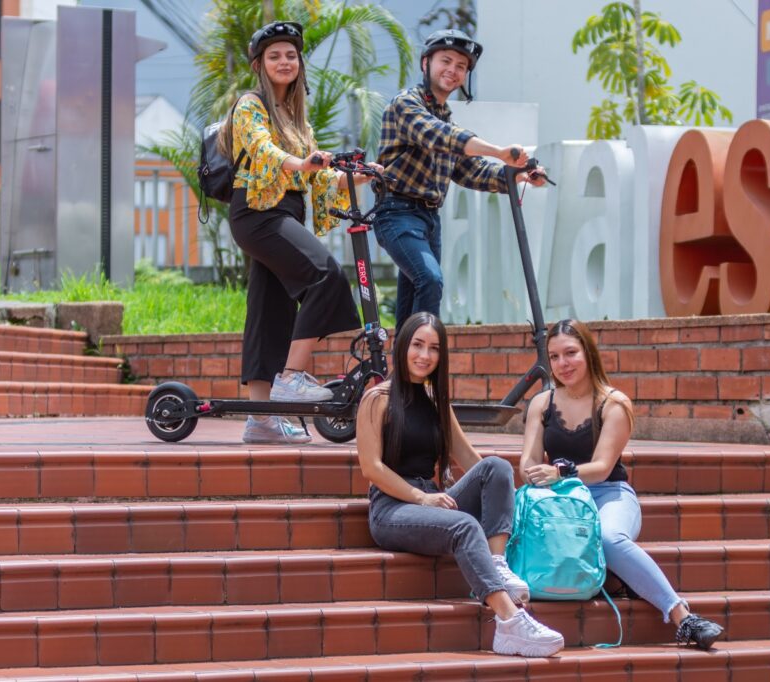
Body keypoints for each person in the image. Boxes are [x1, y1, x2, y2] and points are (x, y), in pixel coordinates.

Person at [356, 312, 565, 657]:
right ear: (403, 346)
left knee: (496, 466)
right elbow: (371, 467)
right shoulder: (377, 398)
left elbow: (470, 461)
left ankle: (496, 564)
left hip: (433, 498)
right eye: (418, 345)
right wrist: (422, 498)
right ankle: (510, 623)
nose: (425, 355)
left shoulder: (437, 401)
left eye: (434, 348)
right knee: (465, 527)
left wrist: (516, 499)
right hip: (393, 507)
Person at [520, 319, 725, 650]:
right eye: (554, 357)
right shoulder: (541, 404)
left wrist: (558, 473)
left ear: (589, 353)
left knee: (607, 536)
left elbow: (601, 469)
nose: (562, 364)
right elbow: (527, 462)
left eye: (571, 353)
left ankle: (683, 617)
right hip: (560, 501)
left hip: (608, 494)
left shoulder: (614, 404)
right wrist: (535, 474)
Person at [221, 21, 378, 444]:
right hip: (258, 212)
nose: (284, 61)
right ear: (259, 64)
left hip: (282, 211)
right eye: (275, 55)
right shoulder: (250, 105)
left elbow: (320, 182)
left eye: (291, 55)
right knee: (325, 274)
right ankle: (291, 378)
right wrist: (298, 163)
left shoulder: (297, 120)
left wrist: (363, 177)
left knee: (269, 310)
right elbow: (260, 148)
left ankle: (261, 420)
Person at [375, 29, 546, 329]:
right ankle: (425, 362)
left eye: (461, 67)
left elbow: (472, 171)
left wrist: (519, 175)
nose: (453, 71)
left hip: (429, 221)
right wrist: (498, 151)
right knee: (429, 280)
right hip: (397, 213)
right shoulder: (406, 104)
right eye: (446, 61)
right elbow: (440, 136)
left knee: (410, 312)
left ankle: (402, 373)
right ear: (426, 62)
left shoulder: (446, 117)